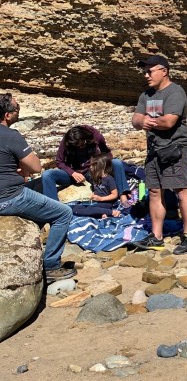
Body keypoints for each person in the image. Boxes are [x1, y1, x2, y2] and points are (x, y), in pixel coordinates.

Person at [0, 92, 76, 280]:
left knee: (40, 185)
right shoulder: (11, 135)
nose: (19, 111)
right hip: (9, 197)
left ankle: (37, 235)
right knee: (64, 213)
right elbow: (35, 166)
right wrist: (23, 169)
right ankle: (50, 265)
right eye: (17, 108)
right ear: (7, 115)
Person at [132, 54, 187, 254]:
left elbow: (169, 121)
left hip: (175, 148)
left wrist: (149, 122)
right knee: (154, 191)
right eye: (145, 72)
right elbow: (135, 119)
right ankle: (157, 237)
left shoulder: (176, 92)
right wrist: (141, 122)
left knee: (180, 188)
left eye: (150, 71)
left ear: (164, 71)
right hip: (154, 151)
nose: (146, 75)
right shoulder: (146, 95)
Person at [42, 125, 130, 203]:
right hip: (73, 172)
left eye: (80, 145)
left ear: (85, 139)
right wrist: (72, 173)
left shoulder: (95, 136)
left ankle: (123, 194)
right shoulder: (68, 140)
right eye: (75, 146)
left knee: (117, 163)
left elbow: (106, 153)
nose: (79, 147)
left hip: (93, 170)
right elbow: (59, 161)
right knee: (47, 174)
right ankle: (53, 206)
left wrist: (102, 168)